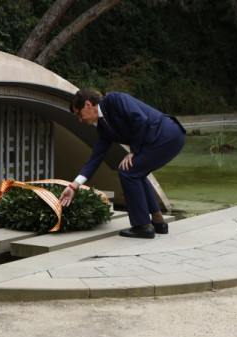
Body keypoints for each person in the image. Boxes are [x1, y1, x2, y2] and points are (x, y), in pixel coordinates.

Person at [58, 88, 186, 238]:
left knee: (128, 171)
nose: (80, 119)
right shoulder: (103, 129)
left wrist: (134, 151)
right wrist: (73, 186)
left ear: (88, 105)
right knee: (137, 172)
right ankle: (158, 222)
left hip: (167, 135)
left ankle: (143, 226)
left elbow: (140, 119)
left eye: (79, 114)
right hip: (161, 140)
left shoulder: (114, 100)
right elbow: (95, 158)